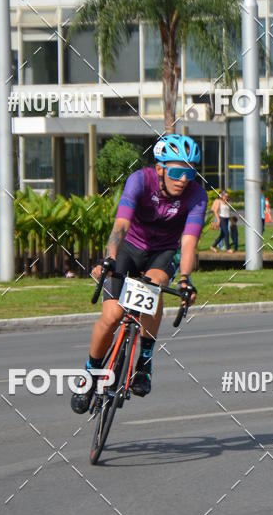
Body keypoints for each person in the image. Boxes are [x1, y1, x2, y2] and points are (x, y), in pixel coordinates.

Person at [70, 134, 207, 414]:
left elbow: (189, 242)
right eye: (177, 172)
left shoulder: (197, 195)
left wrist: (185, 280)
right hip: (129, 248)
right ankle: (91, 372)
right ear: (160, 168)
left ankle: (144, 363)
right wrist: (110, 258)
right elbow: (121, 224)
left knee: (154, 285)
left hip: (163, 252)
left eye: (190, 173)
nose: (184, 179)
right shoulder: (140, 181)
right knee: (112, 316)